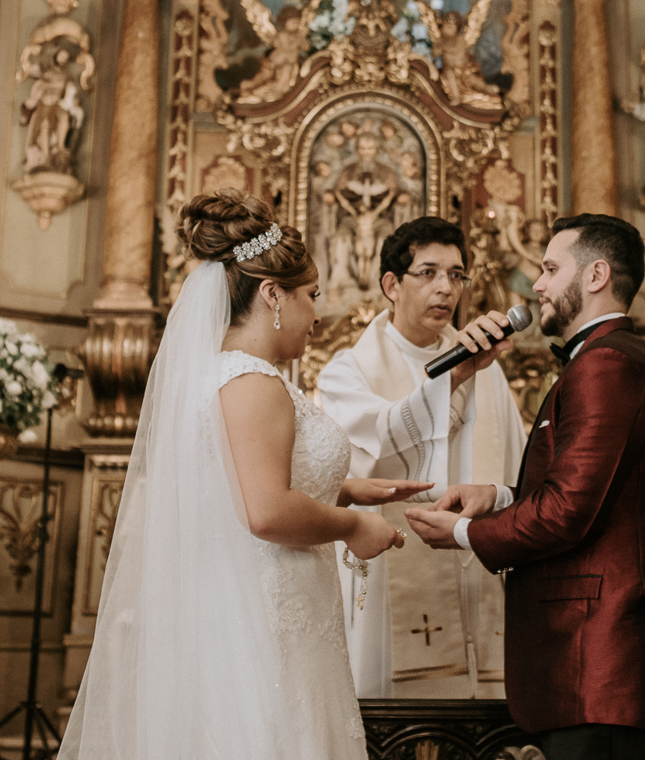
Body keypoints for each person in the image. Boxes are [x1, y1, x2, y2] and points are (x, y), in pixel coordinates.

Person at [60, 190, 431, 760]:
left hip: (260, 607)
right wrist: (353, 527)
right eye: (311, 296)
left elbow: (227, 483)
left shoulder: (226, 374)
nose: (317, 313)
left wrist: (348, 487)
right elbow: (266, 511)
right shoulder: (253, 381)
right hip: (265, 621)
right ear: (271, 294)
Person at [406, 213, 645, 760]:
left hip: (604, 669)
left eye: (549, 268)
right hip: (595, 675)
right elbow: (592, 495)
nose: (536, 284)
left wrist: (467, 532)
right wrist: (496, 498)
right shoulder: (602, 360)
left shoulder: (606, 365)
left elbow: (568, 511)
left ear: (594, 276)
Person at [318, 216, 526, 699]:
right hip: (393, 577)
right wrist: (455, 378)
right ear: (392, 284)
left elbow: (518, 466)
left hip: (479, 574)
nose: (445, 289)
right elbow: (366, 462)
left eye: (456, 275)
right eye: (428, 272)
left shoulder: (487, 370)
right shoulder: (348, 371)